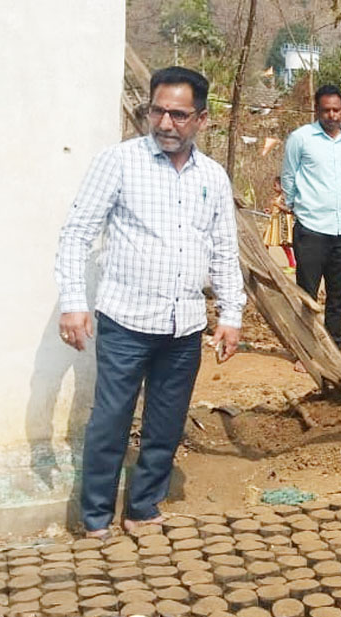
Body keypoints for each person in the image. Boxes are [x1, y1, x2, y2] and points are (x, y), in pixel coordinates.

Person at [55, 66, 245, 539]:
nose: (165, 123)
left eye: (178, 115)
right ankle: (96, 518)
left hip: (183, 326)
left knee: (165, 423)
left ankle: (142, 508)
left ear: (201, 119)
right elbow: (77, 234)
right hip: (125, 320)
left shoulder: (214, 177)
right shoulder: (119, 162)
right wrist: (73, 302)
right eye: (157, 111)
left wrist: (231, 314)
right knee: (111, 420)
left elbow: (223, 249)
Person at [281, 85, 341, 352]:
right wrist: (293, 205)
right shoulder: (300, 139)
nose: (331, 115)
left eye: (336, 110)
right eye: (325, 110)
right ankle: (305, 351)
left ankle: (335, 350)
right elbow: (289, 177)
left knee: (338, 298)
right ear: (316, 110)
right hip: (312, 229)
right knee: (306, 295)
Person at [262, 176, 296, 271]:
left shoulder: (285, 197)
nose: (273, 187)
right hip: (274, 222)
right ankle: (265, 262)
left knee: (283, 244)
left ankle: (292, 264)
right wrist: (269, 210)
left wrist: (277, 205)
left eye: (275, 185)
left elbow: (288, 209)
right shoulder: (276, 197)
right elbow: (275, 210)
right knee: (265, 242)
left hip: (281, 224)